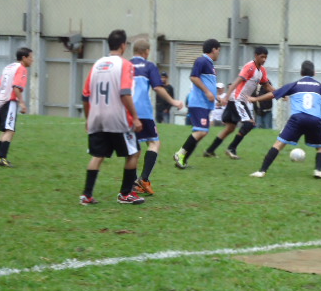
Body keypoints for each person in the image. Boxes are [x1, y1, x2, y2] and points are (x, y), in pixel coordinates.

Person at [249, 60, 321, 179]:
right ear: (314, 73)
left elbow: (273, 94)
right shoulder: (320, 87)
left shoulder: (295, 84)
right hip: (314, 119)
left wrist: (255, 99)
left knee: (279, 144)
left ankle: (262, 171)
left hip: (297, 118)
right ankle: (318, 171)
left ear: (301, 72)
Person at [79, 29, 145, 205]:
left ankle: (87, 195)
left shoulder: (97, 64)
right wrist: (135, 117)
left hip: (97, 117)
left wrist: (88, 118)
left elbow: (85, 96)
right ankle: (125, 194)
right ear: (123, 46)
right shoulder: (125, 65)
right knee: (134, 153)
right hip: (117, 118)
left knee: (98, 155)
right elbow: (125, 93)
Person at [130, 39, 184, 195]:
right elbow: (158, 88)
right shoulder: (149, 66)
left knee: (133, 148)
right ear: (146, 51)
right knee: (154, 143)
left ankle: (132, 183)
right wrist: (173, 101)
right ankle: (144, 179)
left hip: (126, 110)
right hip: (142, 111)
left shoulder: (125, 65)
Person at [203, 46, 275, 160]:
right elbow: (237, 81)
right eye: (262, 57)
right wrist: (226, 96)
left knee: (230, 128)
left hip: (238, 100)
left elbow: (266, 85)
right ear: (256, 55)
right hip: (237, 99)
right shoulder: (250, 67)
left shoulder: (262, 71)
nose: (264, 60)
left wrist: (280, 93)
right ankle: (231, 148)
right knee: (249, 124)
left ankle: (209, 150)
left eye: (265, 57)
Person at [173, 38, 221, 169]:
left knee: (202, 132)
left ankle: (182, 160)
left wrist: (216, 97)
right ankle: (180, 154)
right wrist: (207, 92)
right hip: (199, 103)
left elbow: (208, 83)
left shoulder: (209, 64)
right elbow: (194, 77)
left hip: (204, 104)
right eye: (218, 50)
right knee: (201, 131)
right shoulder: (202, 60)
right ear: (213, 49)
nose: (219, 53)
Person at [0, 47, 34, 167]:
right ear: (24, 58)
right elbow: (16, 87)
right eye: (31, 57)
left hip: (1, 100)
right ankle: (2, 158)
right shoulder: (21, 69)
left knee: (6, 130)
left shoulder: (9, 67)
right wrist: (22, 103)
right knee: (10, 130)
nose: (32, 60)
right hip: (10, 101)